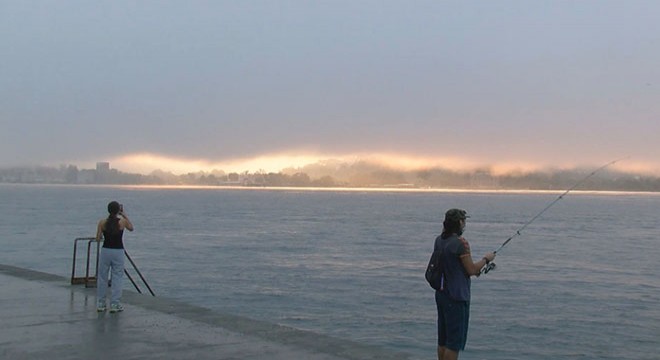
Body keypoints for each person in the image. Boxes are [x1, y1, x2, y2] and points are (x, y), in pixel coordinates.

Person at [434, 208, 495, 360]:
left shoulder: (439, 240)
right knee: (454, 344)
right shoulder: (461, 243)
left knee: (443, 340)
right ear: (460, 223)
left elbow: (454, 266)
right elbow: (472, 269)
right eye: (464, 221)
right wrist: (486, 259)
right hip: (457, 297)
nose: (465, 224)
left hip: (441, 294)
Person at [96, 201, 134, 313]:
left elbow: (98, 238)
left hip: (105, 250)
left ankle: (101, 303)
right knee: (117, 277)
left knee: (102, 277)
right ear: (118, 210)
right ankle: (115, 303)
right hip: (118, 251)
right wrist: (124, 214)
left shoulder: (102, 222)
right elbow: (131, 228)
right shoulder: (122, 222)